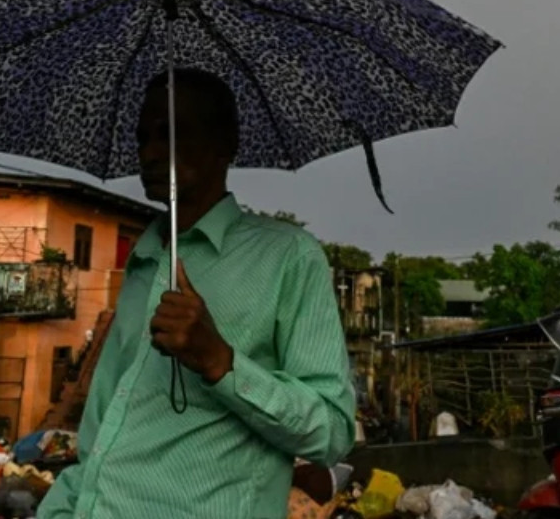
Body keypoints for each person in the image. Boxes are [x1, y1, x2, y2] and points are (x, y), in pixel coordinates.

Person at [36, 69, 356, 519]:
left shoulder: (288, 256)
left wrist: (220, 362)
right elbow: (102, 428)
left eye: (172, 134)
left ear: (226, 144)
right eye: (143, 136)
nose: (149, 153)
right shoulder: (144, 260)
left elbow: (333, 432)